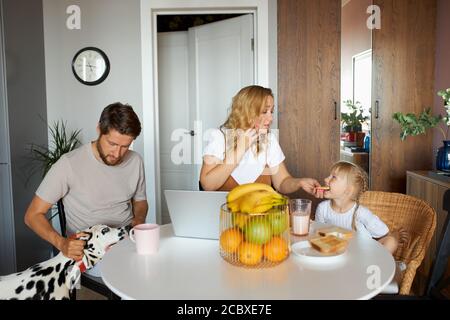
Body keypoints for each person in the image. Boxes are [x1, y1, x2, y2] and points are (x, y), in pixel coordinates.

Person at [24, 102, 148, 263]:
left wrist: (139, 219)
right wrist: (61, 243)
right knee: (131, 274)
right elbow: (32, 215)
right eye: (112, 144)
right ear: (99, 129)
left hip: (127, 240)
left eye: (125, 146)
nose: (117, 153)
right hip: (91, 249)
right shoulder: (68, 164)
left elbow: (141, 201)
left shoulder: (135, 160)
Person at [200, 85, 322, 196]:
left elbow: (282, 182)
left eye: (271, 111)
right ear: (246, 112)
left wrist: (299, 182)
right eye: (264, 111)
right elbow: (208, 185)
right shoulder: (219, 137)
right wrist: (241, 148)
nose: (270, 118)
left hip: (261, 216)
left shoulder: (269, 139)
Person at [315, 161, 398, 254]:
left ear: (348, 190)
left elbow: (384, 233)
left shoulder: (360, 212)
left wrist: (395, 236)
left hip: (364, 254)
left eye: (333, 177)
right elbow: (319, 237)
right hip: (339, 254)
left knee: (391, 242)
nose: (325, 179)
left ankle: (382, 265)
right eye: (329, 176)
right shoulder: (322, 209)